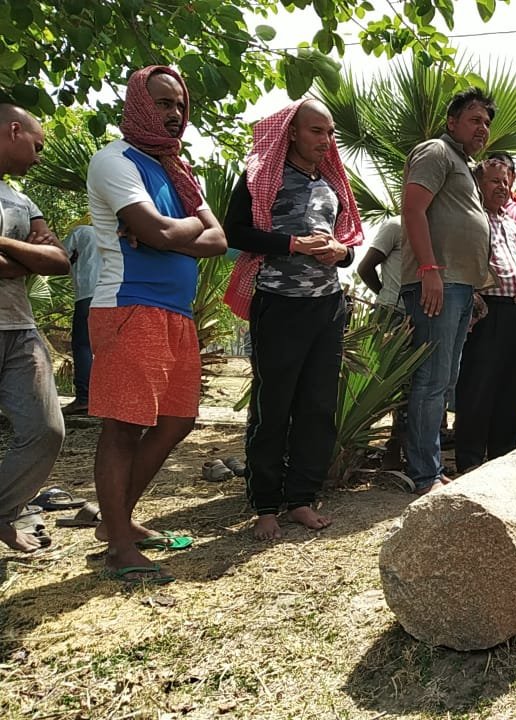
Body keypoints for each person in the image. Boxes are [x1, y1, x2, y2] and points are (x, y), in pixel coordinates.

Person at [86, 67, 227, 581]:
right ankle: (119, 547)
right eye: (164, 103)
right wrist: (181, 229)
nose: (175, 114)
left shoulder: (177, 170)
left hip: (176, 312)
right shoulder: (114, 161)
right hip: (130, 305)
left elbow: (216, 240)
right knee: (124, 426)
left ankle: (115, 523)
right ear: (140, 106)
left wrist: (170, 231)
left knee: (177, 420)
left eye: (180, 105)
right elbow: (161, 231)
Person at [222, 100, 363, 540]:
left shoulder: (332, 183)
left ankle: (301, 499)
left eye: (330, 132)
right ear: (292, 132)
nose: (326, 140)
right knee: (274, 406)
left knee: (317, 407)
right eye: (317, 131)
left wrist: (342, 252)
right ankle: (265, 506)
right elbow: (234, 232)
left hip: (327, 306)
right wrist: (292, 244)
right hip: (279, 304)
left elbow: (348, 248)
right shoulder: (261, 177)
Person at [399, 87, 495, 493]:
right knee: (430, 380)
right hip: (436, 283)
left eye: (486, 122)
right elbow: (412, 209)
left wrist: (473, 288)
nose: (482, 128)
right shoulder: (435, 152)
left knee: (443, 381)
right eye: (474, 119)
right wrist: (429, 269)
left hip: (458, 286)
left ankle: (432, 468)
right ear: (452, 122)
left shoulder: (465, 165)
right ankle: (423, 473)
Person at [0, 104, 69, 553]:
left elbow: (59, 261)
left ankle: (2, 511)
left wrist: (6, 245)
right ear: (13, 130)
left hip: (19, 328)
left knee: (47, 431)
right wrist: (26, 255)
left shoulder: (21, 200)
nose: (40, 157)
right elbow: (36, 259)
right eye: (37, 146)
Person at [453, 159, 516, 473]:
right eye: (494, 181)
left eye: (505, 181)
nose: (502, 187)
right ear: (479, 184)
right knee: (479, 383)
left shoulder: (511, 222)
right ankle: (471, 459)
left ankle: (505, 454)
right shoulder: (471, 218)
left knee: (514, 385)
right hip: (488, 311)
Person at [62, 224, 99, 415]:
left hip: (89, 293)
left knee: (83, 345)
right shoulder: (125, 233)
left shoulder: (83, 232)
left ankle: (85, 398)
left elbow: (60, 257)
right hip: (121, 295)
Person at [357, 218, 404, 314]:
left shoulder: (434, 232)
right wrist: (384, 294)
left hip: (423, 315)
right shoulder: (396, 225)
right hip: (392, 311)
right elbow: (365, 269)